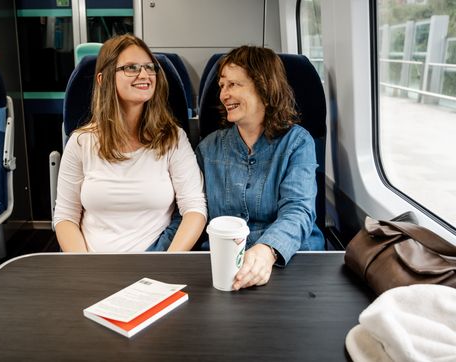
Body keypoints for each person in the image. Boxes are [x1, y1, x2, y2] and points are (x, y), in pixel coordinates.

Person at [53, 34, 207, 252]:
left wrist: (169, 260)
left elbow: (194, 209)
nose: (144, 74)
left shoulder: (172, 138)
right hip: (91, 261)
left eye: (149, 67)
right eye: (131, 68)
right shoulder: (81, 142)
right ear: (103, 79)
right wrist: (84, 265)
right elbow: (65, 216)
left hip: (155, 258)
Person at [196, 46, 324, 290]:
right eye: (222, 86)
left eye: (234, 84)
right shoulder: (208, 149)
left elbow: (299, 210)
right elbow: (192, 212)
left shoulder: (297, 142)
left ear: (264, 89)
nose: (224, 95)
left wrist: (267, 250)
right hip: (224, 265)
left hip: (289, 260)